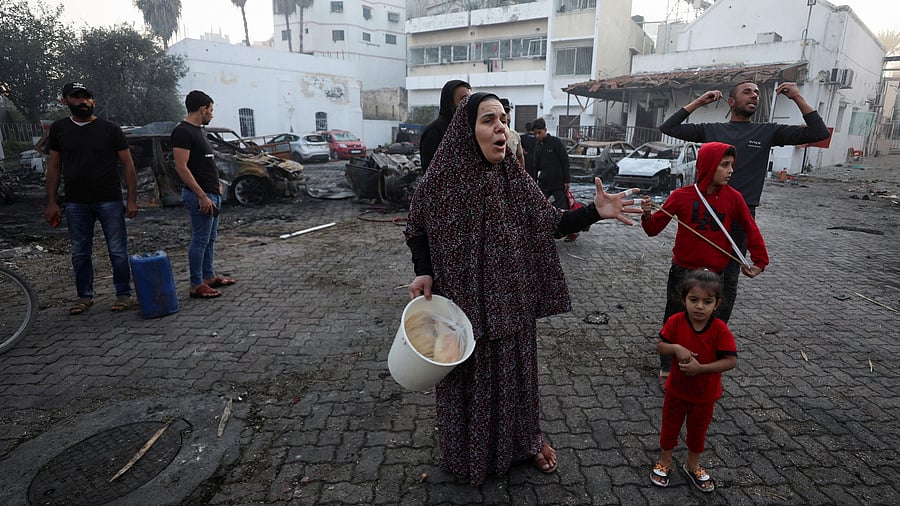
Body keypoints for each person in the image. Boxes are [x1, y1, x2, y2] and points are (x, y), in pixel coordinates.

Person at [404, 92, 641, 486]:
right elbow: (418, 230)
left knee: (514, 379)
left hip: (509, 301)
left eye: (504, 119)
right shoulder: (437, 183)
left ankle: (526, 441)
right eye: (488, 120)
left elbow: (551, 222)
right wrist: (424, 271)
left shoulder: (513, 176)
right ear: (466, 131)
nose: (501, 127)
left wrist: (594, 213)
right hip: (460, 306)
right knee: (467, 380)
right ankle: (469, 450)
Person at [659, 81, 829, 322]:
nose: (754, 95)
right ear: (731, 102)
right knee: (688, 270)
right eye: (747, 91)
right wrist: (699, 101)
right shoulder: (712, 129)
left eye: (757, 92)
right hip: (705, 209)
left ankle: (715, 331)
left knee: (728, 277)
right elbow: (668, 127)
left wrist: (798, 98)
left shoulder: (767, 132)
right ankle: (676, 328)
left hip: (741, 214)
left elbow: (819, 133)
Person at [640, 142, 768, 390]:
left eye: (732, 165)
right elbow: (653, 229)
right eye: (724, 165)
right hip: (683, 272)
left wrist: (760, 261)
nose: (731, 170)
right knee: (674, 319)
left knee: (706, 322)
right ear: (709, 166)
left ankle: (701, 364)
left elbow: (751, 229)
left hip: (714, 276)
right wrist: (646, 215)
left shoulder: (734, 198)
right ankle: (667, 366)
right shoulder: (681, 196)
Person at [44, 81, 138, 315]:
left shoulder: (110, 129)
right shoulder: (59, 129)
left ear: (93, 101)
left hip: (109, 199)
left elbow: (128, 165)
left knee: (117, 250)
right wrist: (51, 201)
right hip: (75, 202)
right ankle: (84, 296)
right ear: (64, 101)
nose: (83, 101)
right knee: (80, 252)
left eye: (87, 97)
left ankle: (123, 294)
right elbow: (54, 167)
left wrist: (133, 199)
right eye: (76, 97)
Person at [649, 269, 737, 493]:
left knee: (698, 432)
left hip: (705, 395)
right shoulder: (676, 322)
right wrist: (676, 348)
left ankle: (692, 464)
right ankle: (665, 461)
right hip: (676, 391)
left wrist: (701, 369)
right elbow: (661, 345)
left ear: (716, 304)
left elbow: (730, 361)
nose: (700, 306)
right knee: (670, 427)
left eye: (707, 301)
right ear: (683, 299)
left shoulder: (720, 330)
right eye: (693, 300)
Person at [171, 90, 236, 299]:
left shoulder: (199, 131)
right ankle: (196, 284)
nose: (212, 114)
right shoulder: (183, 132)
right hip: (199, 196)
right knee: (200, 239)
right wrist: (200, 195)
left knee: (210, 238)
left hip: (211, 193)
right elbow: (181, 167)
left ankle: (208, 276)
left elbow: (203, 162)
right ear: (203, 109)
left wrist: (215, 183)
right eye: (211, 109)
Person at [419, 79, 471, 172]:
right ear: (450, 102)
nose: (468, 104)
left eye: (470, 99)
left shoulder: (469, 130)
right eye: (463, 99)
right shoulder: (434, 132)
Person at [500, 98, 525, 168]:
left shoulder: (515, 135)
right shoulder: (491, 134)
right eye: (503, 112)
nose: (505, 115)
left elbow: (520, 156)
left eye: (507, 112)